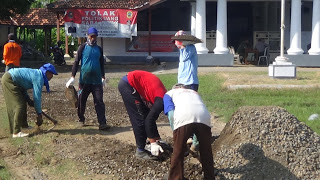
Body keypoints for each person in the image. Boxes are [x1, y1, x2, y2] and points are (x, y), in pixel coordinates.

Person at [163, 84, 215, 180]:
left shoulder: (169, 94)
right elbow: (197, 110)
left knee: (178, 152)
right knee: (206, 151)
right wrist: (194, 142)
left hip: (184, 117)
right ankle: (210, 177)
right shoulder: (195, 93)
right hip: (204, 117)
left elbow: (171, 115)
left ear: (175, 88)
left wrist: (177, 133)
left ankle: (176, 177)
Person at [65, 27, 109, 131]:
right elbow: (76, 62)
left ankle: (102, 123)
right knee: (81, 101)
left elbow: (101, 64)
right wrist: (72, 76)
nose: (93, 38)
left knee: (99, 101)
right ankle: (81, 119)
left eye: (95, 36)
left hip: (97, 81)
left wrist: (103, 77)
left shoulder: (99, 49)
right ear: (87, 36)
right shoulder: (82, 48)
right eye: (91, 36)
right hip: (84, 81)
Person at [118, 70, 167, 160]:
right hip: (128, 84)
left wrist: (157, 140)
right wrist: (153, 143)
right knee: (139, 118)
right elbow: (149, 120)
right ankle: (140, 151)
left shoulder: (164, 98)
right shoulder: (161, 102)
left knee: (147, 114)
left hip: (136, 84)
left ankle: (156, 139)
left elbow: (150, 118)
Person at [1, 63, 58, 138]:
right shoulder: (39, 77)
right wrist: (39, 114)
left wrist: (28, 100)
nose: (52, 76)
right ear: (47, 72)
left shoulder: (37, 74)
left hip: (15, 82)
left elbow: (23, 86)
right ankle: (16, 132)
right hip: (9, 80)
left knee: (23, 103)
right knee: (19, 105)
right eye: (52, 74)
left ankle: (24, 125)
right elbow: (37, 97)